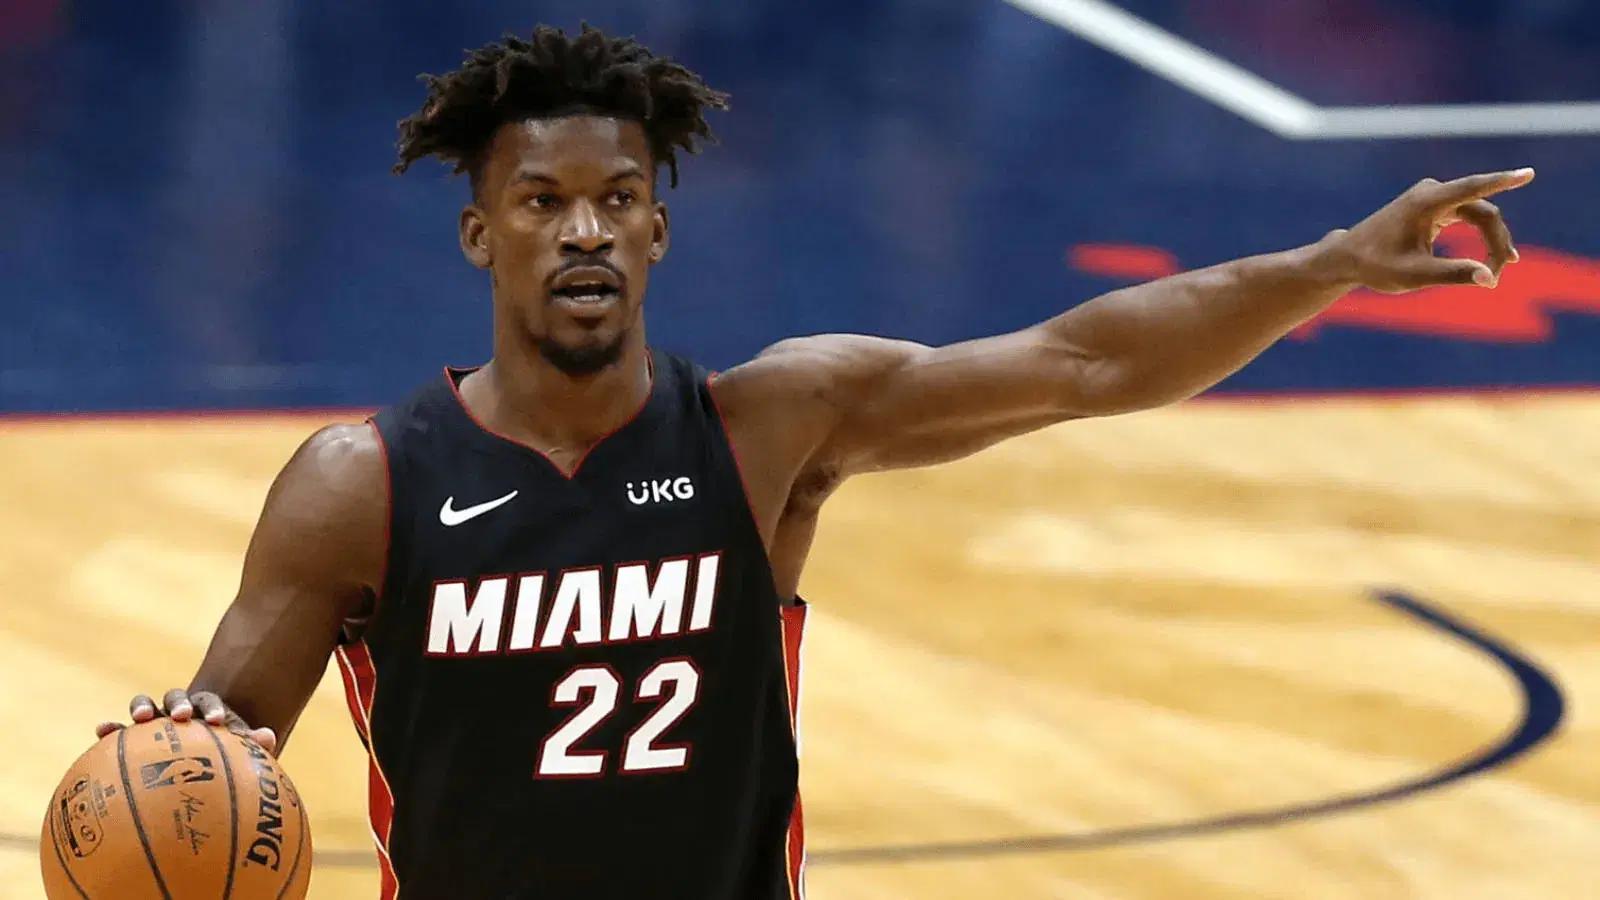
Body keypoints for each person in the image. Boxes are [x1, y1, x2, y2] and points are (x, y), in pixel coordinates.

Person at [93, 22, 1531, 900]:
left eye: (619, 199)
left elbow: (1085, 362)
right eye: (542, 200)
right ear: (485, 234)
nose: (584, 229)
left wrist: (1327, 265)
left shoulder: (768, 427)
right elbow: (226, 745)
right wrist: (182, 741)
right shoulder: (365, 482)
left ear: (658, 231)